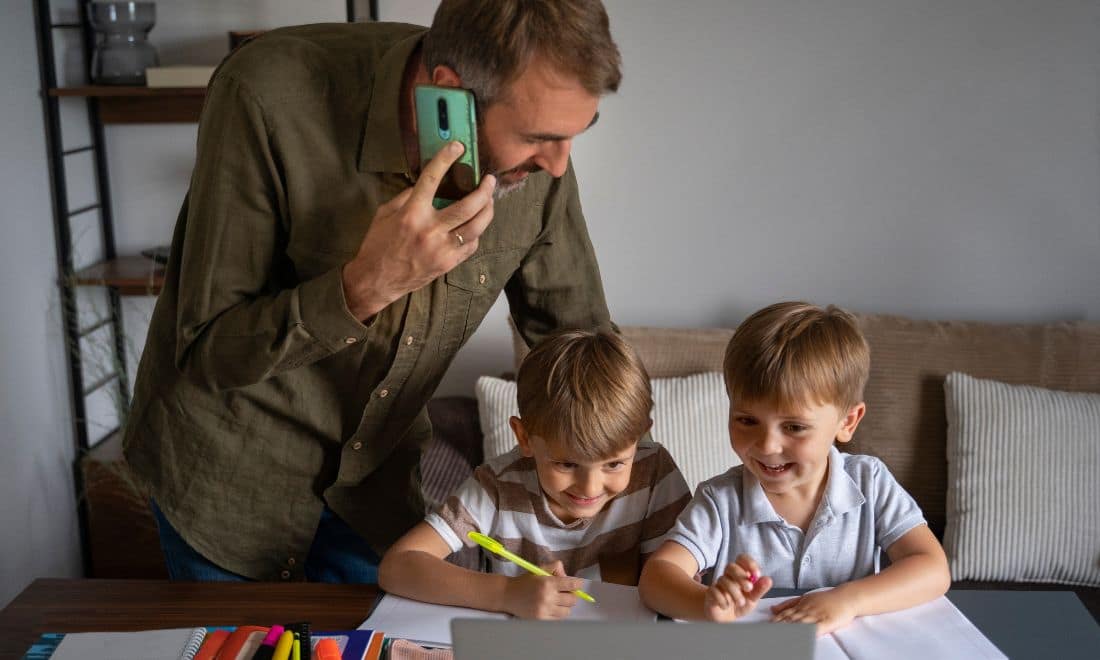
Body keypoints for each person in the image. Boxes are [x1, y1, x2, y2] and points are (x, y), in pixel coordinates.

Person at [123, 1, 624, 583]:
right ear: (449, 94)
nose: (559, 166)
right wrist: (365, 286)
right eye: (539, 137)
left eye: (574, 135)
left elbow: (581, 345)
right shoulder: (263, 94)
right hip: (226, 486)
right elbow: (208, 351)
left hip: (374, 498)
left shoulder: (538, 167)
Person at [638, 302, 950, 633]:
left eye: (794, 427)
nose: (767, 445)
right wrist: (706, 602)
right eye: (747, 420)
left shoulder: (869, 481)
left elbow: (932, 568)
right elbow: (657, 577)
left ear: (847, 421)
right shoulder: (720, 499)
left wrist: (848, 600)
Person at [379, 329, 691, 619]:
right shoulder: (497, 488)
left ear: (640, 436)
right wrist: (508, 594)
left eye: (614, 464)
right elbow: (397, 567)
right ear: (524, 437)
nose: (590, 487)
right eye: (567, 464)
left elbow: (680, 576)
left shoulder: (654, 473)